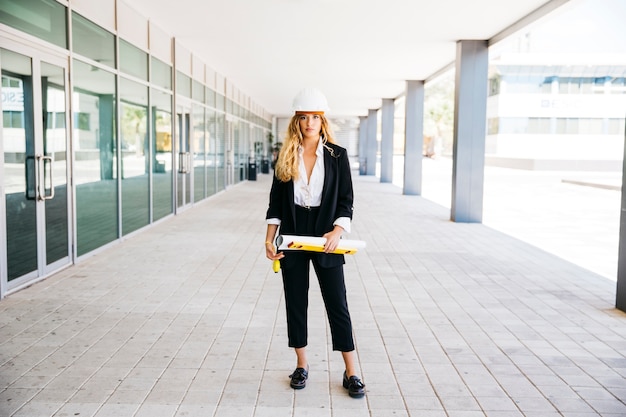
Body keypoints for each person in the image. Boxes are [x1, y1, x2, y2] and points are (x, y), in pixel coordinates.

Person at [264, 88, 365, 398]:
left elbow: (346, 200)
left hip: (325, 235)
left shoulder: (337, 155)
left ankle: (351, 371)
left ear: (323, 121)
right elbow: (276, 204)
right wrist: (269, 240)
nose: (309, 123)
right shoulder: (285, 156)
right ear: (297, 121)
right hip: (293, 233)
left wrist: (338, 230)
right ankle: (302, 365)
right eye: (304, 117)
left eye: (315, 118)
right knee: (296, 302)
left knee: (337, 302)